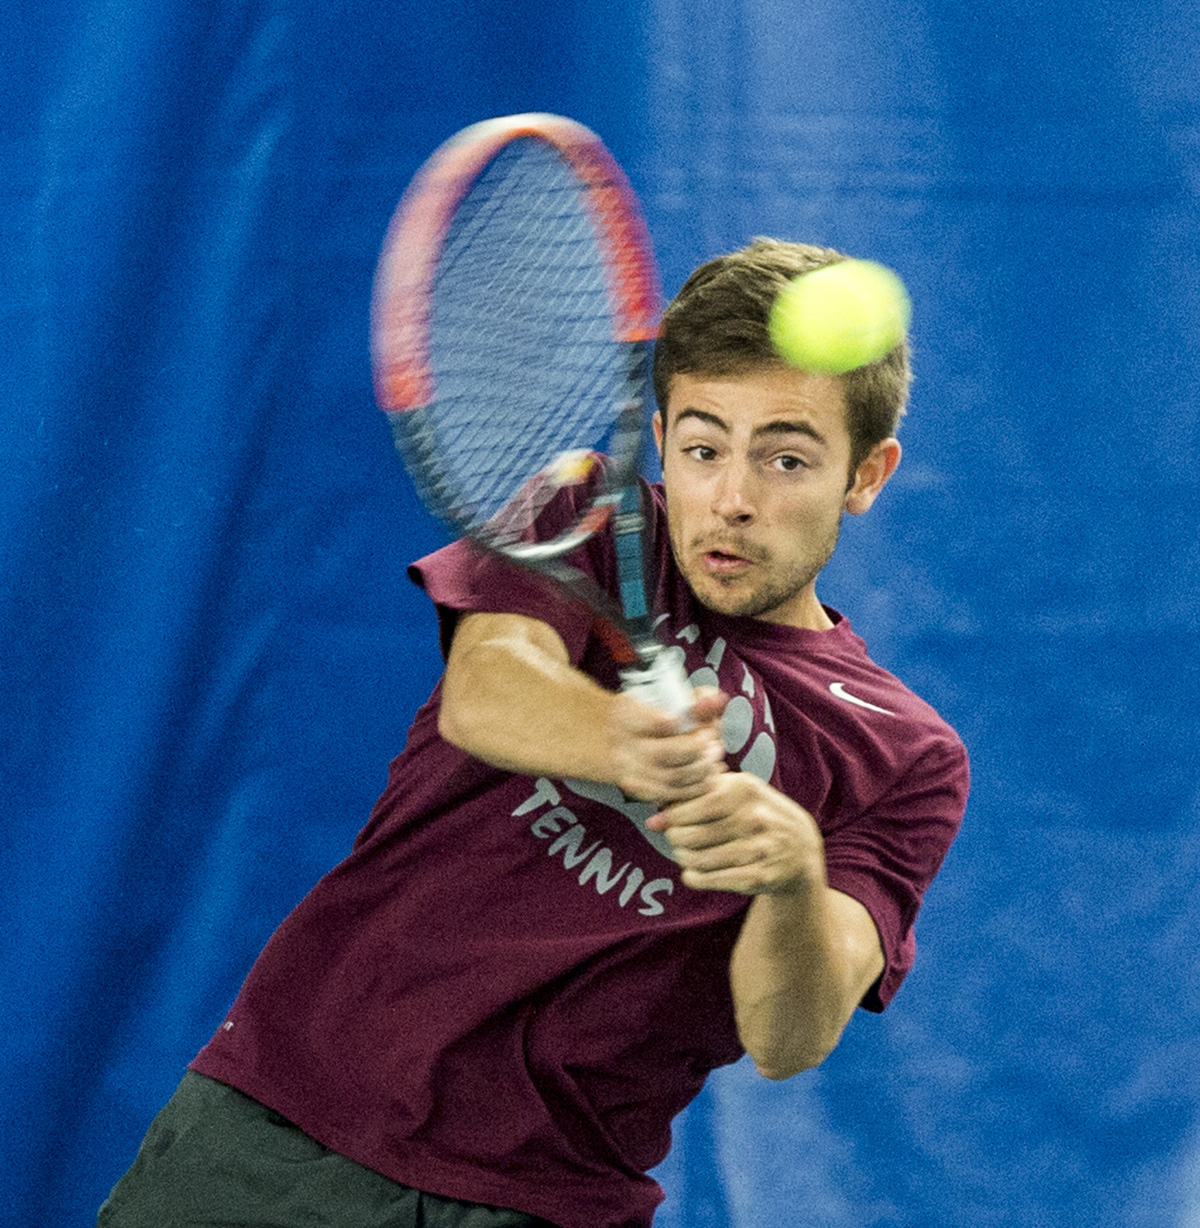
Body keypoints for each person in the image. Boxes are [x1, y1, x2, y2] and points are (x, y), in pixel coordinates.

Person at [98, 238, 968, 1228]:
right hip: (282, 1126)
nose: (733, 496)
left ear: (866, 473)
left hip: (548, 1202)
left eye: (785, 457)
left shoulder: (907, 756)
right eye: (701, 445)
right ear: (660, 435)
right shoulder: (589, 516)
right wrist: (624, 742)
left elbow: (790, 1034)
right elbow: (490, 688)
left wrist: (788, 879)